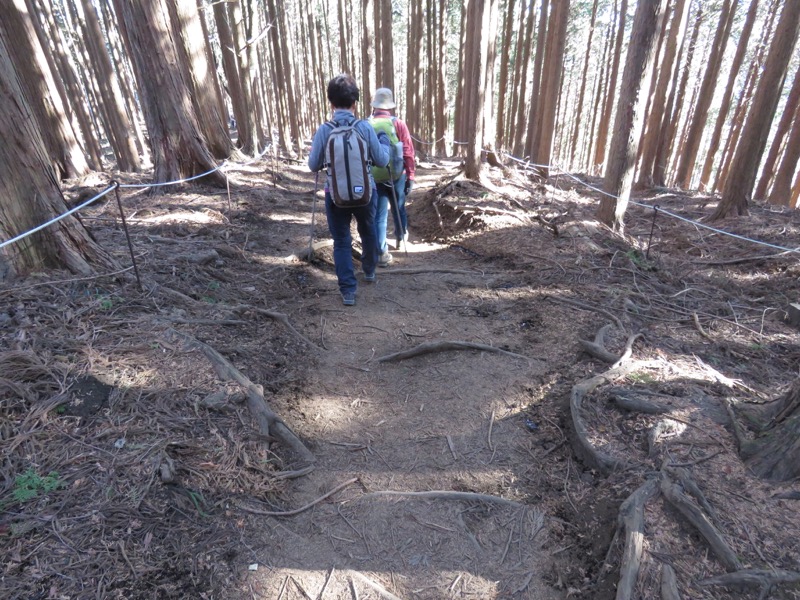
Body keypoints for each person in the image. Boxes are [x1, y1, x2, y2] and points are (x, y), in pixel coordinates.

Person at [308, 74, 391, 306]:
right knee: (368, 230)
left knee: (342, 241)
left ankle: (347, 291)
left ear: (331, 103)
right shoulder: (364, 127)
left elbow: (313, 165)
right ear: (355, 103)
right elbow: (382, 161)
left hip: (335, 194)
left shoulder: (325, 130)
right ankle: (369, 270)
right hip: (367, 191)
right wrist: (383, 142)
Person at [368, 88, 416, 267]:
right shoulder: (398, 124)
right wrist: (410, 175)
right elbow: (408, 152)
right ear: (390, 106)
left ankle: (381, 252)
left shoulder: (367, 124)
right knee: (399, 208)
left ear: (375, 105)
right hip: (397, 174)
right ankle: (400, 236)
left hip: (375, 176)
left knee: (379, 216)